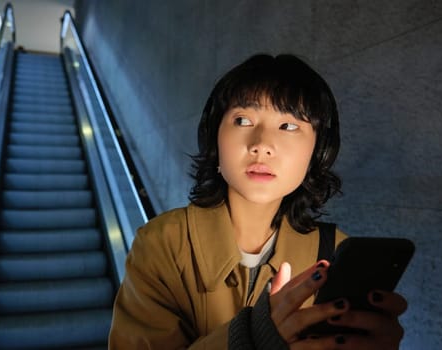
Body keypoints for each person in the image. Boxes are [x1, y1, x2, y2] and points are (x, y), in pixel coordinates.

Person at [109, 54, 408, 349]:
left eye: (289, 126)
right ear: (215, 139)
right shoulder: (161, 244)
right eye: (242, 120)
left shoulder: (334, 256)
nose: (262, 145)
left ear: (317, 151)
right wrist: (252, 339)